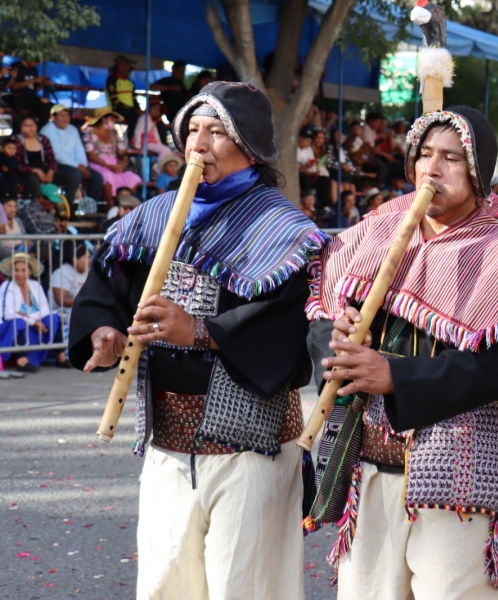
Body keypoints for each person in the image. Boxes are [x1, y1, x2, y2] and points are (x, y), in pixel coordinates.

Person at [69, 81, 327, 599]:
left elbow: (289, 327)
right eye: (192, 130)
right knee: (167, 585)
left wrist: (201, 330)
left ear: (250, 147)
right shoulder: (152, 216)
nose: (199, 144)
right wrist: (104, 330)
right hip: (167, 444)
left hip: (251, 448)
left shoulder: (287, 231)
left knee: (247, 588)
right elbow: (107, 288)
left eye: (217, 132)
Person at [306, 105, 498, 600]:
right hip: (370, 467)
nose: (432, 169)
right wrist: (334, 338)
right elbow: (320, 318)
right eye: (424, 155)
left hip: (457, 471)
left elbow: (493, 372)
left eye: (451, 159)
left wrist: (393, 376)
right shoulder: (377, 229)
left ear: (478, 173)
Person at [0, 253, 66, 372]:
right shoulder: (6, 286)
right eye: (16, 270)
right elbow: (8, 315)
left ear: (30, 271)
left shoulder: (36, 285)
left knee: (54, 318)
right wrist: (34, 322)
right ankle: (21, 360)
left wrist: (32, 320)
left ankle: (60, 357)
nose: (19, 274)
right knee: (18, 322)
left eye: (23, 270)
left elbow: (45, 310)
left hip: (32, 325)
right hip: (9, 328)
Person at [41, 104, 105, 203]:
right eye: (61, 115)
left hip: (77, 165)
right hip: (56, 164)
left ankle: (90, 207)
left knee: (97, 177)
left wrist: (83, 166)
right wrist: (78, 166)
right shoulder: (47, 130)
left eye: (67, 115)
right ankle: (67, 205)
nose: (65, 118)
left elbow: (79, 150)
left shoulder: (73, 129)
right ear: (53, 117)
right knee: (76, 175)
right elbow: (57, 155)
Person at [82, 108, 142, 205]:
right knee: (107, 176)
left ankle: (124, 204)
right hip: (98, 165)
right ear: (103, 119)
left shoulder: (114, 132)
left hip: (115, 166)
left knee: (134, 178)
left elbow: (122, 150)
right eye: (112, 119)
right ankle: (110, 206)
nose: (114, 121)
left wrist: (123, 164)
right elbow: (91, 154)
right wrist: (109, 166)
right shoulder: (90, 131)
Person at [50, 243, 90, 342]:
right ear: (75, 259)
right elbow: (61, 299)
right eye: (86, 257)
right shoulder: (62, 273)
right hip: (63, 313)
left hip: (83, 309)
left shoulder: (88, 272)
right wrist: (85, 302)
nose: (89, 261)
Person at [15, 115, 57, 201]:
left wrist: (51, 172)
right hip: (26, 172)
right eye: (25, 126)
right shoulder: (17, 141)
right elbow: (17, 164)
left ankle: (67, 208)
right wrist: (36, 170)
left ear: (36, 127)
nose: (29, 128)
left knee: (70, 177)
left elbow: (52, 158)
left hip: (45, 171)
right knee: (34, 180)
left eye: (31, 126)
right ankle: (37, 206)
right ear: (21, 127)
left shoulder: (43, 139)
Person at [5, 60, 52, 129]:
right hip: (19, 96)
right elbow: (14, 87)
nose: (36, 64)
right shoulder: (17, 66)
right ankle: (18, 129)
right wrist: (34, 80)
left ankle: (40, 129)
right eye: (36, 61)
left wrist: (42, 84)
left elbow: (33, 89)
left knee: (49, 105)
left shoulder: (34, 70)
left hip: (31, 98)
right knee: (18, 101)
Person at [105, 55, 141, 140]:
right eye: (121, 64)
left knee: (147, 117)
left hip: (130, 110)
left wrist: (139, 109)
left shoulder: (130, 82)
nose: (124, 67)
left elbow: (134, 99)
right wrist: (133, 109)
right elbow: (115, 101)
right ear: (116, 66)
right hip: (116, 109)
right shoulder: (112, 79)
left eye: (126, 64)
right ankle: (131, 139)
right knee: (134, 115)